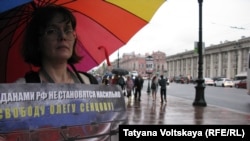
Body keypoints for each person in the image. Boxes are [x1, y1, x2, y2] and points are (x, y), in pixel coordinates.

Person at [15, 5, 97, 84]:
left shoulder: (89, 82)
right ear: (37, 41)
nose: (63, 36)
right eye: (52, 31)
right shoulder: (21, 88)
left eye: (67, 30)